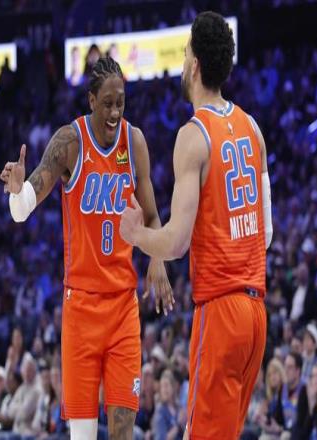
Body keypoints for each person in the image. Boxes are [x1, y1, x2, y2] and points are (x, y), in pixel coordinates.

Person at [0, 55, 172, 440]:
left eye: (121, 103)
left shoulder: (135, 142)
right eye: (107, 103)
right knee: (83, 435)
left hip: (123, 306)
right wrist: (16, 191)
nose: (115, 112)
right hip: (81, 308)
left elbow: (152, 215)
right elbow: (24, 208)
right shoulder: (69, 142)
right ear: (91, 100)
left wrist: (157, 258)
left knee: (124, 430)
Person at [119, 11, 271, 439]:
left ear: (196, 65)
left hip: (221, 311)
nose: (183, 62)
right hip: (256, 313)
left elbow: (176, 242)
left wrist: (136, 235)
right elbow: (266, 232)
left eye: (185, 53)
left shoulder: (193, 135)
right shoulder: (253, 128)